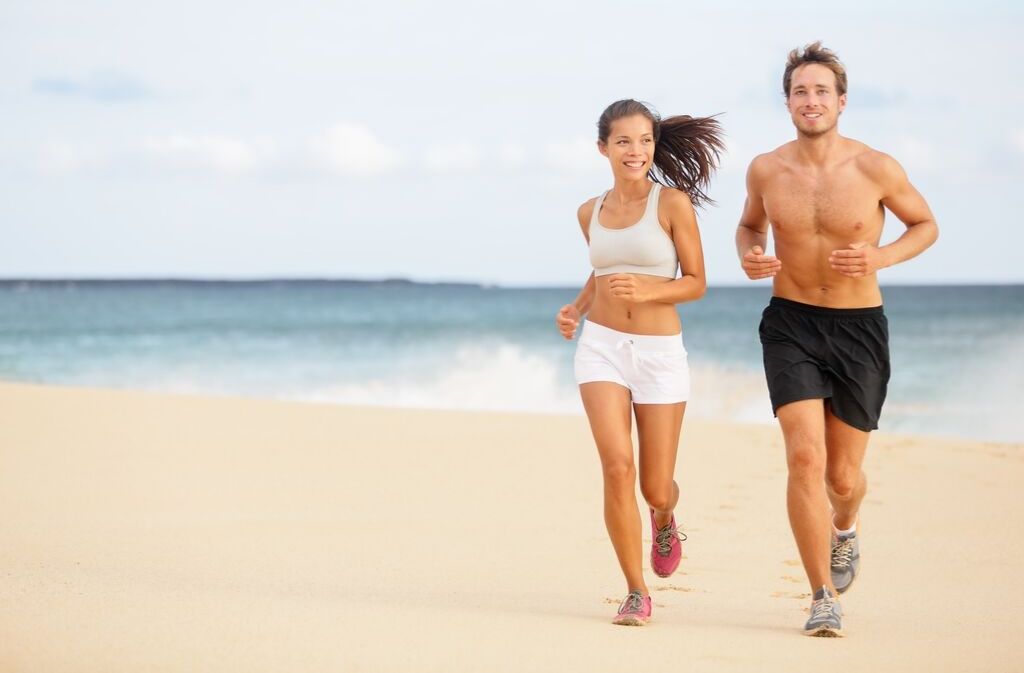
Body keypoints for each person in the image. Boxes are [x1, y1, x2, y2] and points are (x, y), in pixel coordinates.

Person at [736, 42, 938, 637]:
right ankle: (822, 595)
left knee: (842, 480)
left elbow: (925, 225)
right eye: (800, 91)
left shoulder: (875, 167)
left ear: (841, 101)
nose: (811, 100)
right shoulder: (767, 168)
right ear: (788, 102)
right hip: (790, 322)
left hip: (858, 329)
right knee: (803, 457)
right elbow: (750, 223)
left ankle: (844, 528)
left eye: (822, 90)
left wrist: (880, 254)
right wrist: (750, 253)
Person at [556, 99, 723, 626]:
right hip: (601, 347)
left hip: (658, 353)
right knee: (616, 467)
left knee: (654, 485)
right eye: (624, 141)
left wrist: (651, 290)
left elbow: (696, 282)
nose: (637, 151)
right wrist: (577, 309)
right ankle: (635, 590)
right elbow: (602, 270)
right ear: (603, 148)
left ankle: (665, 516)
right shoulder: (590, 211)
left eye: (645, 140)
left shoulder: (671, 204)